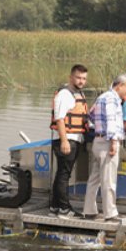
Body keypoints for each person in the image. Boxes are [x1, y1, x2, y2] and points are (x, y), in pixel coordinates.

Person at [83, 74, 126, 221]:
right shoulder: (112, 99)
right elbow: (111, 121)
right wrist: (113, 141)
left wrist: (99, 127)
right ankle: (110, 214)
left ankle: (89, 210)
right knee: (109, 180)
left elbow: (91, 115)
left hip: (98, 141)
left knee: (95, 179)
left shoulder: (102, 97)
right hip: (107, 142)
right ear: (120, 86)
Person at [49, 64, 89, 218]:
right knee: (64, 175)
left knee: (62, 174)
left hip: (75, 138)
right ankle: (64, 209)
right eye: (78, 77)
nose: (81, 81)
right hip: (67, 140)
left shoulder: (78, 94)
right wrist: (64, 141)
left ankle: (54, 206)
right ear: (71, 77)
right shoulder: (65, 94)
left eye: (84, 78)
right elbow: (59, 119)